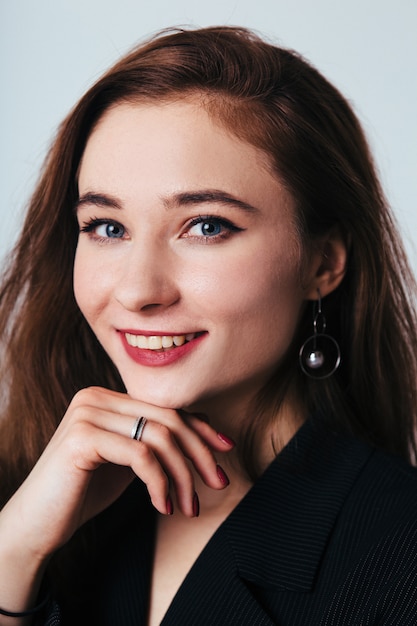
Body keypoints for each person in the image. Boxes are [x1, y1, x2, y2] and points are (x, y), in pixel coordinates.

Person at [0, 25, 417, 626]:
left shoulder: (399, 560)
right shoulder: (44, 501)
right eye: (107, 228)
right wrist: (14, 555)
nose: (138, 291)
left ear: (322, 264)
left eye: (206, 226)